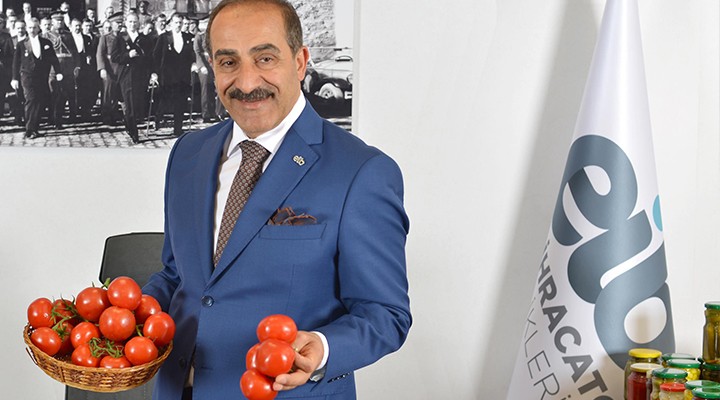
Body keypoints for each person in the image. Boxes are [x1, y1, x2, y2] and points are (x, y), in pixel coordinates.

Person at [142, 1, 411, 399]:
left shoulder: (363, 171)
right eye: (228, 62)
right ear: (213, 67)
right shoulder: (188, 153)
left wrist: (323, 348)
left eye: (265, 58)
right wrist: (126, 313)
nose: (247, 82)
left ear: (300, 62)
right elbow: (176, 274)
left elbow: (385, 314)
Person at [11, 18, 62, 138]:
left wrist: (58, 72)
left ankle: (35, 127)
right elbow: (16, 63)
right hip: (27, 76)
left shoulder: (46, 43)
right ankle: (29, 130)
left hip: (42, 76)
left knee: (39, 100)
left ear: (38, 28)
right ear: (26, 29)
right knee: (31, 99)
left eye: (34, 27)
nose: (32, 30)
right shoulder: (21, 44)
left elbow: (53, 59)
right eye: (29, 27)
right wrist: (14, 78)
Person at [110, 12, 153, 143]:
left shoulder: (144, 39)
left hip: (140, 74)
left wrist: (151, 72)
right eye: (130, 22)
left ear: (138, 23)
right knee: (130, 103)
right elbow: (114, 57)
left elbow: (149, 58)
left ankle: (128, 123)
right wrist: (128, 55)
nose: (132, 24)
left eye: (135, 22)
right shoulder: (120, 38)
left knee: (138, 103)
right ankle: (134, 133)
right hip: (126, 74)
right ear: (126, 23)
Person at [151, 12, 194, 136]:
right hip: (167, 76)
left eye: (180, 23)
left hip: (182, 76)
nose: (178, 25)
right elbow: (156, 56)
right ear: (171, 23)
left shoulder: (187, 37)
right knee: (164, 101)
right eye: (176, 22)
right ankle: (158, 119)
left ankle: (178, 129)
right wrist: (155, 72)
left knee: (180, 102)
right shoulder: (164, 37)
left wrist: (193, 63)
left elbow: (191, 55)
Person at [96, 13, 121, 125]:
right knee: (107, 94)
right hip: (109, 69)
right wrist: (102, 68)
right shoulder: (105, 38)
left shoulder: (124, 37)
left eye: (121, 23)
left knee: (117, 93)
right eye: (117, 23)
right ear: (112, 24)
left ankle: (115, 114)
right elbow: (100, 54)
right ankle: (106, 116)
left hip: (121, 69)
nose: (119, 25)